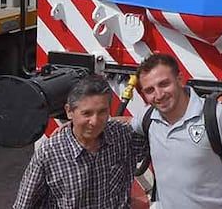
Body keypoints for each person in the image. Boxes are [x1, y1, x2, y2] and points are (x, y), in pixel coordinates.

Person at [133, 53, 222, 209]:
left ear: (179, 79)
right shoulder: (148, 117)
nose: (159, 95)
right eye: (150, 90)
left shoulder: (216, 116)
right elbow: (128, 123)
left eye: (164, 84)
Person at [14, 75, 144, 209]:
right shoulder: (50, 152)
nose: (95, 121)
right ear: (69, 111)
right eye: (87, 113)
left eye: (102, 112)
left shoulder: (123, 136)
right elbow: (24, 204)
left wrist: (115, 121)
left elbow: (156, 120)